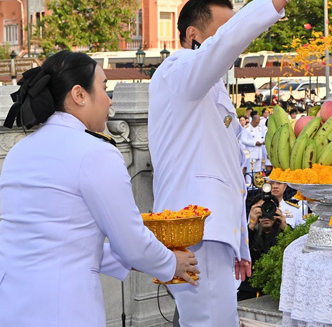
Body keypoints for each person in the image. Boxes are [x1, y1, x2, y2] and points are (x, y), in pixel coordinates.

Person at [147, 0, 332, 326]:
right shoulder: (178, 70)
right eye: (223, 32)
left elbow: (224, 168)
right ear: (193, 36)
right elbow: (227, 44)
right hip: (193, 228)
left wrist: (238, 240)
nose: (231, 42)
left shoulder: (207, 85)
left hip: (211, 231)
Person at [0, 51, 198, 326]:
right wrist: (171, 263)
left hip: (11, 305)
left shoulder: (19, 152)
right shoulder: (95, 153)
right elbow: (130, 241)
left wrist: (141, 257)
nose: (110, 99)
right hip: (64, 308)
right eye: (104, 88)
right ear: (79, 95)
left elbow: (60, 242)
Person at [237, 194, 288, 301]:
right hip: (249, 291)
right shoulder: (247, 233)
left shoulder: (285, 232)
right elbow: (239, 252)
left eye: (269, 208)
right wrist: (251, 225)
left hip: (276, 291)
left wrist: (286, 228)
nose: (266, 213)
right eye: (261, 209)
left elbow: (295, 250)